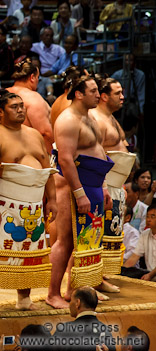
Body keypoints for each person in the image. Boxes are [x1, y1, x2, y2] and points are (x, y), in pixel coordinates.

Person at [0, 91, 57, 316]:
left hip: (34, 204)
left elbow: (47, 169)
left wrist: (53, 199)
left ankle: (24, 298)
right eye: (14, 106)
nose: (21, 109)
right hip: (4, 205)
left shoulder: (34, 135)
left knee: (29, 252)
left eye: (22, 106)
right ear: (0, 111)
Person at [47, 76, 113, 309]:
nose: (98, 94)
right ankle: (52, 293)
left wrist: (103, 186)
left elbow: (99, 151)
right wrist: (79, 193)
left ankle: (73, 290)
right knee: (65, 241)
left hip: (93, 184)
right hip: (72, 186)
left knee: (85, 242)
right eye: (93, 91)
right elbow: (65, 159)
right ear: (78, 94)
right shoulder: (68, 120)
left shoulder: (90, 117)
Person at [90, 76, 136, 279]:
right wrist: (104, 186)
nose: (122, 97)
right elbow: (94, 156)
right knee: (98, 235)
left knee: (111, 234)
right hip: (105, 185)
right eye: (117, 93)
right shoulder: (96, 119)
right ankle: (94, 279)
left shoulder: (110, 117)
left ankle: (103, 277)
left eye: (122, 92)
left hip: (117, 186)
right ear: (104, 96)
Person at [0, 59, 52, 152]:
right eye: (38, 77)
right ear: (32, 77)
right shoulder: (34, 98)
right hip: (27, 157)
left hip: (0, 154)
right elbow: (45, 133)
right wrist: (50, 159)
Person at [122, 203, 156, 281]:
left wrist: (150, 275)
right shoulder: (144, 234)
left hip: (150, 275)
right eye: (147, 216)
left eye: (152, 216)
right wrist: (122, 272)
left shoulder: (133, 232)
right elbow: (134, 257)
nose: (148, 219)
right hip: (150, 277)